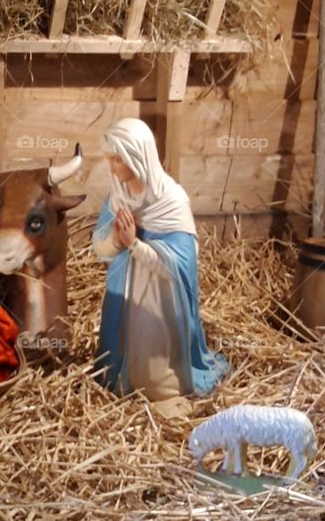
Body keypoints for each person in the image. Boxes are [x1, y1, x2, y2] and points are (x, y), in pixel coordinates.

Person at [91, 117, 227, 415]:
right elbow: (99, 249)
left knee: (156, 376)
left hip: (161, 306)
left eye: (117, 159)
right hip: (125, 296)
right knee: (121, 363)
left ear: (136, 155)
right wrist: (115, 239)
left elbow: (180, 269)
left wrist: (135, 245)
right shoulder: (117, 197)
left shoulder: (172, 201)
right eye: (109, 160)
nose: (112, 168)